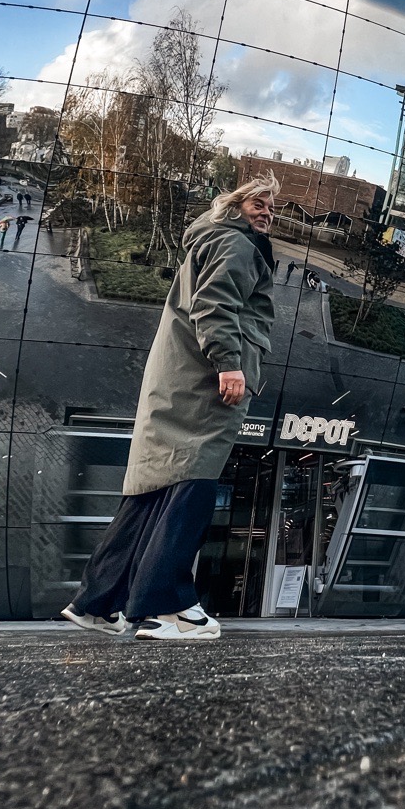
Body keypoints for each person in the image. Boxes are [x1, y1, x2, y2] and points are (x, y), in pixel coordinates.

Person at [61, 173, 279, 642]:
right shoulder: (237, 245)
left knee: (151, 490)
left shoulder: (211, 238)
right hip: (204, 383)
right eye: (258, 203)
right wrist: (230, 365)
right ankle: (168, 608)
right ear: (235, 205)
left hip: (175, 378)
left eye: (271, 207)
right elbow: (215, 304)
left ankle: (97, 601)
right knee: (191, 485)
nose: (266, 212)